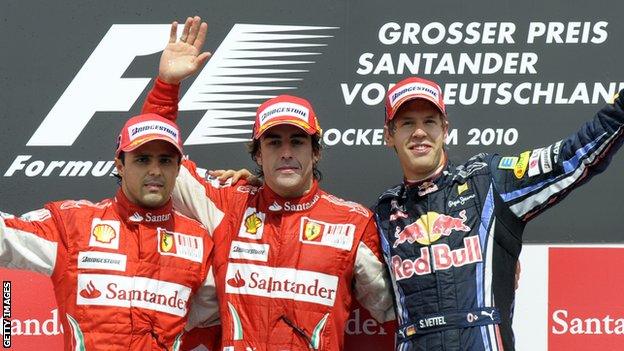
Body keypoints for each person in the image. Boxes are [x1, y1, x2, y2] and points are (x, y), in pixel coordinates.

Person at [141, 16, 395, 351]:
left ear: (315, 152)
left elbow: (393, 310)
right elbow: (158, 156)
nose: (286, 153)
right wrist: (166, 86)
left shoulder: (352, 222)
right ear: (258, 155)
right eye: (274, 143)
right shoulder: (228, 204)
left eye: (298, 142)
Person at [373, 76, 624, 350]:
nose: (419, 132)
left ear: (445, 129)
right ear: (389, 135)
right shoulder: (382, 216)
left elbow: (570, 158)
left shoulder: (488, 182)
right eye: (407, 123)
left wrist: (620, 110)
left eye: (429, 121)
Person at [0, 112, 219, 350]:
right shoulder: (74, 225)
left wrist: (252, 189)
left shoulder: (198, 241)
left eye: (165, 160)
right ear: (120, 166)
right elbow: (6, 236)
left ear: (178, 169)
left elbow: (228, 317)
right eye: (143, 159)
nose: (155, 170)